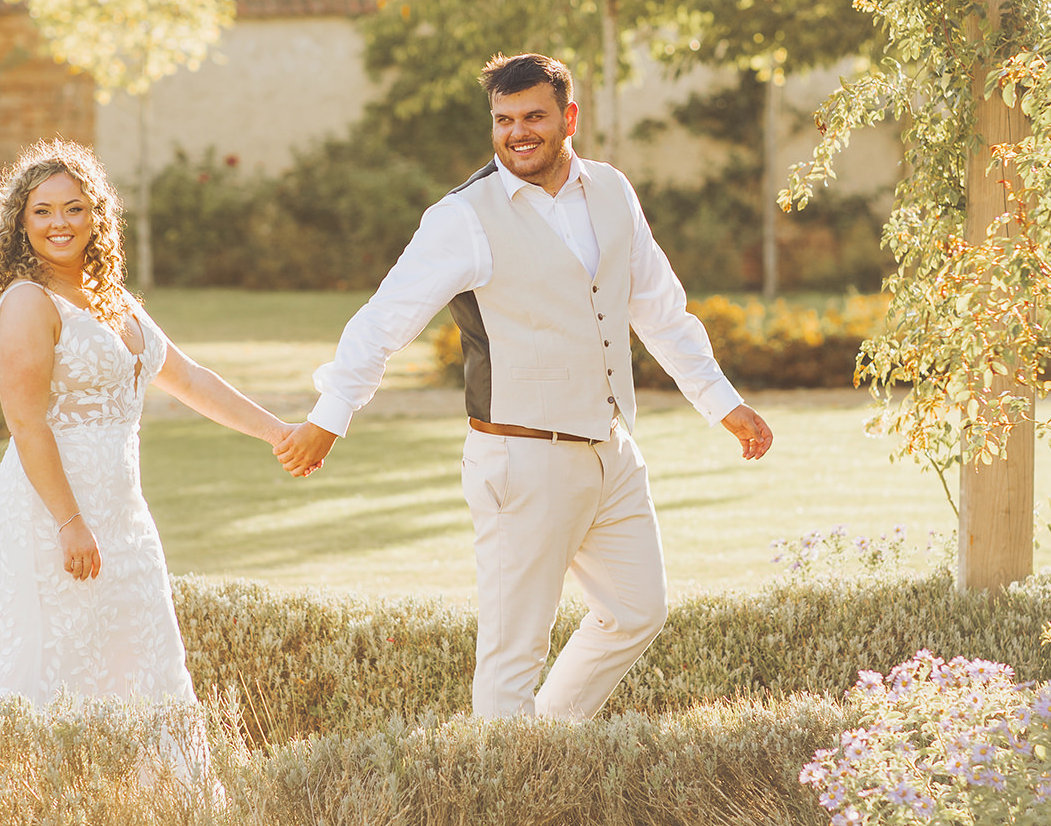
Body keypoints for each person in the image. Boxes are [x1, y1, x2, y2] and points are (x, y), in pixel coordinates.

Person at [274, 53, 772, 720]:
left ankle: (546, 751)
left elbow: (657, 307)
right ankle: (502, 806)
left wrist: (723, 403)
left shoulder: (612, 191)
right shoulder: (464, 217)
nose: (518, 132)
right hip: (521, 459)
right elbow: (382, 322)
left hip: (612, 449)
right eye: (503, 120)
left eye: (533, 115)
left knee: (637, 610)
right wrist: (329, 415)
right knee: (513, 655)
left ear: (568, 117)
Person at [0, 139, 295, 723]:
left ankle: (151, 803)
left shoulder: (112, 299)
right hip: (52, 507)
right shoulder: (27, 301)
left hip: (123, 511)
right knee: (53, 653)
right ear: (20, 223)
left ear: (98, 214)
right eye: (42, 211)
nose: (59, 223)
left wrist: (279, 433)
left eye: (74, 207)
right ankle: (6, 790)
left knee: (141, 647)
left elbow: (188, 378)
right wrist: (70, 522)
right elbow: (25, 421)